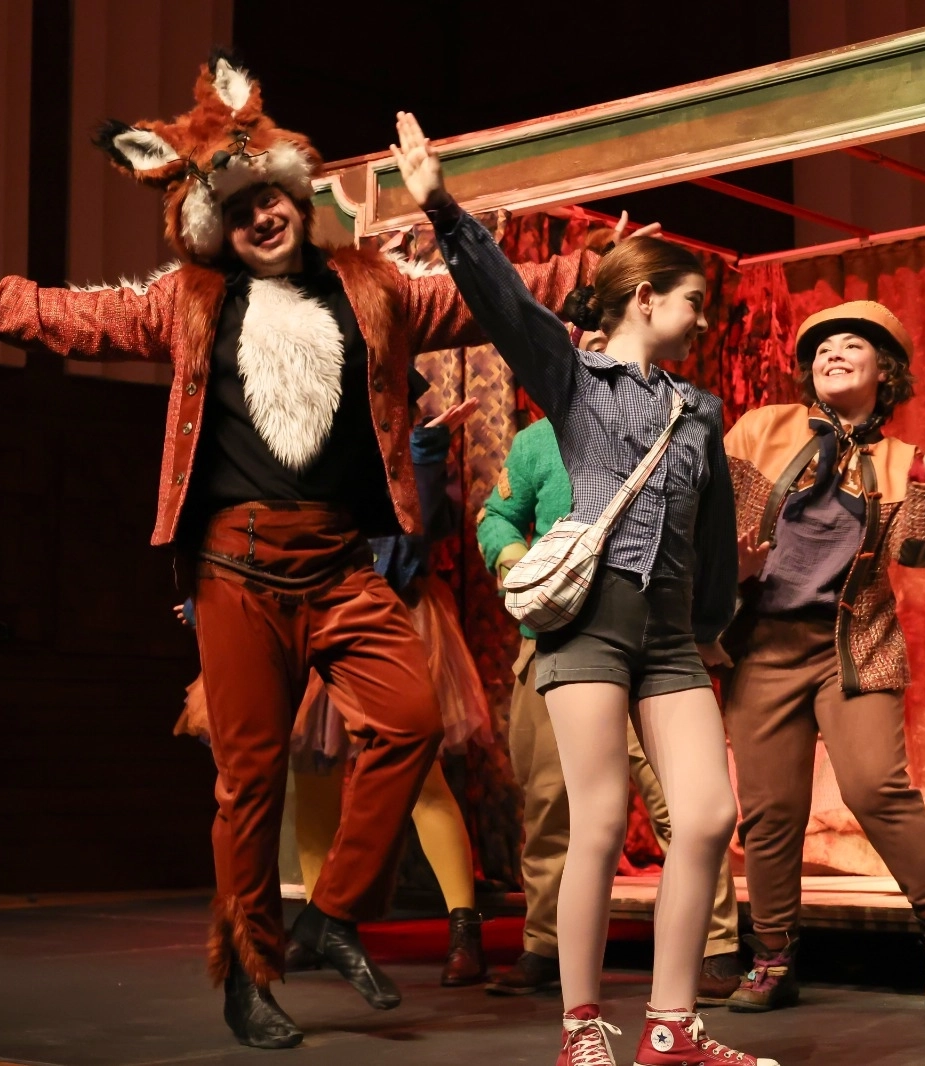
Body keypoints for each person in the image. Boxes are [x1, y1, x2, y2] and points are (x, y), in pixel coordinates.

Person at [0, 56, 598, 1050]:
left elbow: (483, 299)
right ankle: (249, 971)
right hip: (236, 569)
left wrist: (591, 275)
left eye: (270, 197)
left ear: (296, 197)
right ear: (212, 227)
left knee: (407, 720)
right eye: (237, 210)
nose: (261, 216)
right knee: (250, 782)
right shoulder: (187, 303)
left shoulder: (372, 289)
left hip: (342, 565)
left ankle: (331, 914)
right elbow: (72, 317)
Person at [391, 112, 774, 1066]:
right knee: (598, 822)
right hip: (589, 630)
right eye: (694, 303)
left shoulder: (698, 410)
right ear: (645, 299)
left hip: (671, 638)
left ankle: (671, 1027)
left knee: (708, 816)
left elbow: (711, 545)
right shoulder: (574, 380)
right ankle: (580, 1028)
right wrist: (442, 209)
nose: (706, 321)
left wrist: (710, 629)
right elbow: (509, 308)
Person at [720, 301, 925, 1013]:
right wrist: (729, 569)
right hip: (762, 648)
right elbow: (711, 517)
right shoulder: (761, 428)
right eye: (822, 349)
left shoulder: (901, 460)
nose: (833, 355)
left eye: (852, 346)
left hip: (853, 647)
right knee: (770, 813)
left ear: (885, 371)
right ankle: (773, 958)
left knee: (875, 788)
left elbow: (915, 552)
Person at [178, 378, 496, 987]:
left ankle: (464, 926)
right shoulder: (304, 443)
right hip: (300, 607)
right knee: (312, 773)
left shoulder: (409, 445)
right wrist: (202, 601)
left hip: (386, 609)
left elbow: (417, 531)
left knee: (421, 777)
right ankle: (322, 919)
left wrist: (424, 452)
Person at [477, 366, 742, 1005]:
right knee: (553, 803)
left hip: (654, 644)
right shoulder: (540, 439)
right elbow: (498, 515)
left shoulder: (673, 424)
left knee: (686, 805)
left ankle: (714, 944)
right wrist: (518, 564)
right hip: (564, 641)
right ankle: (545, 942)